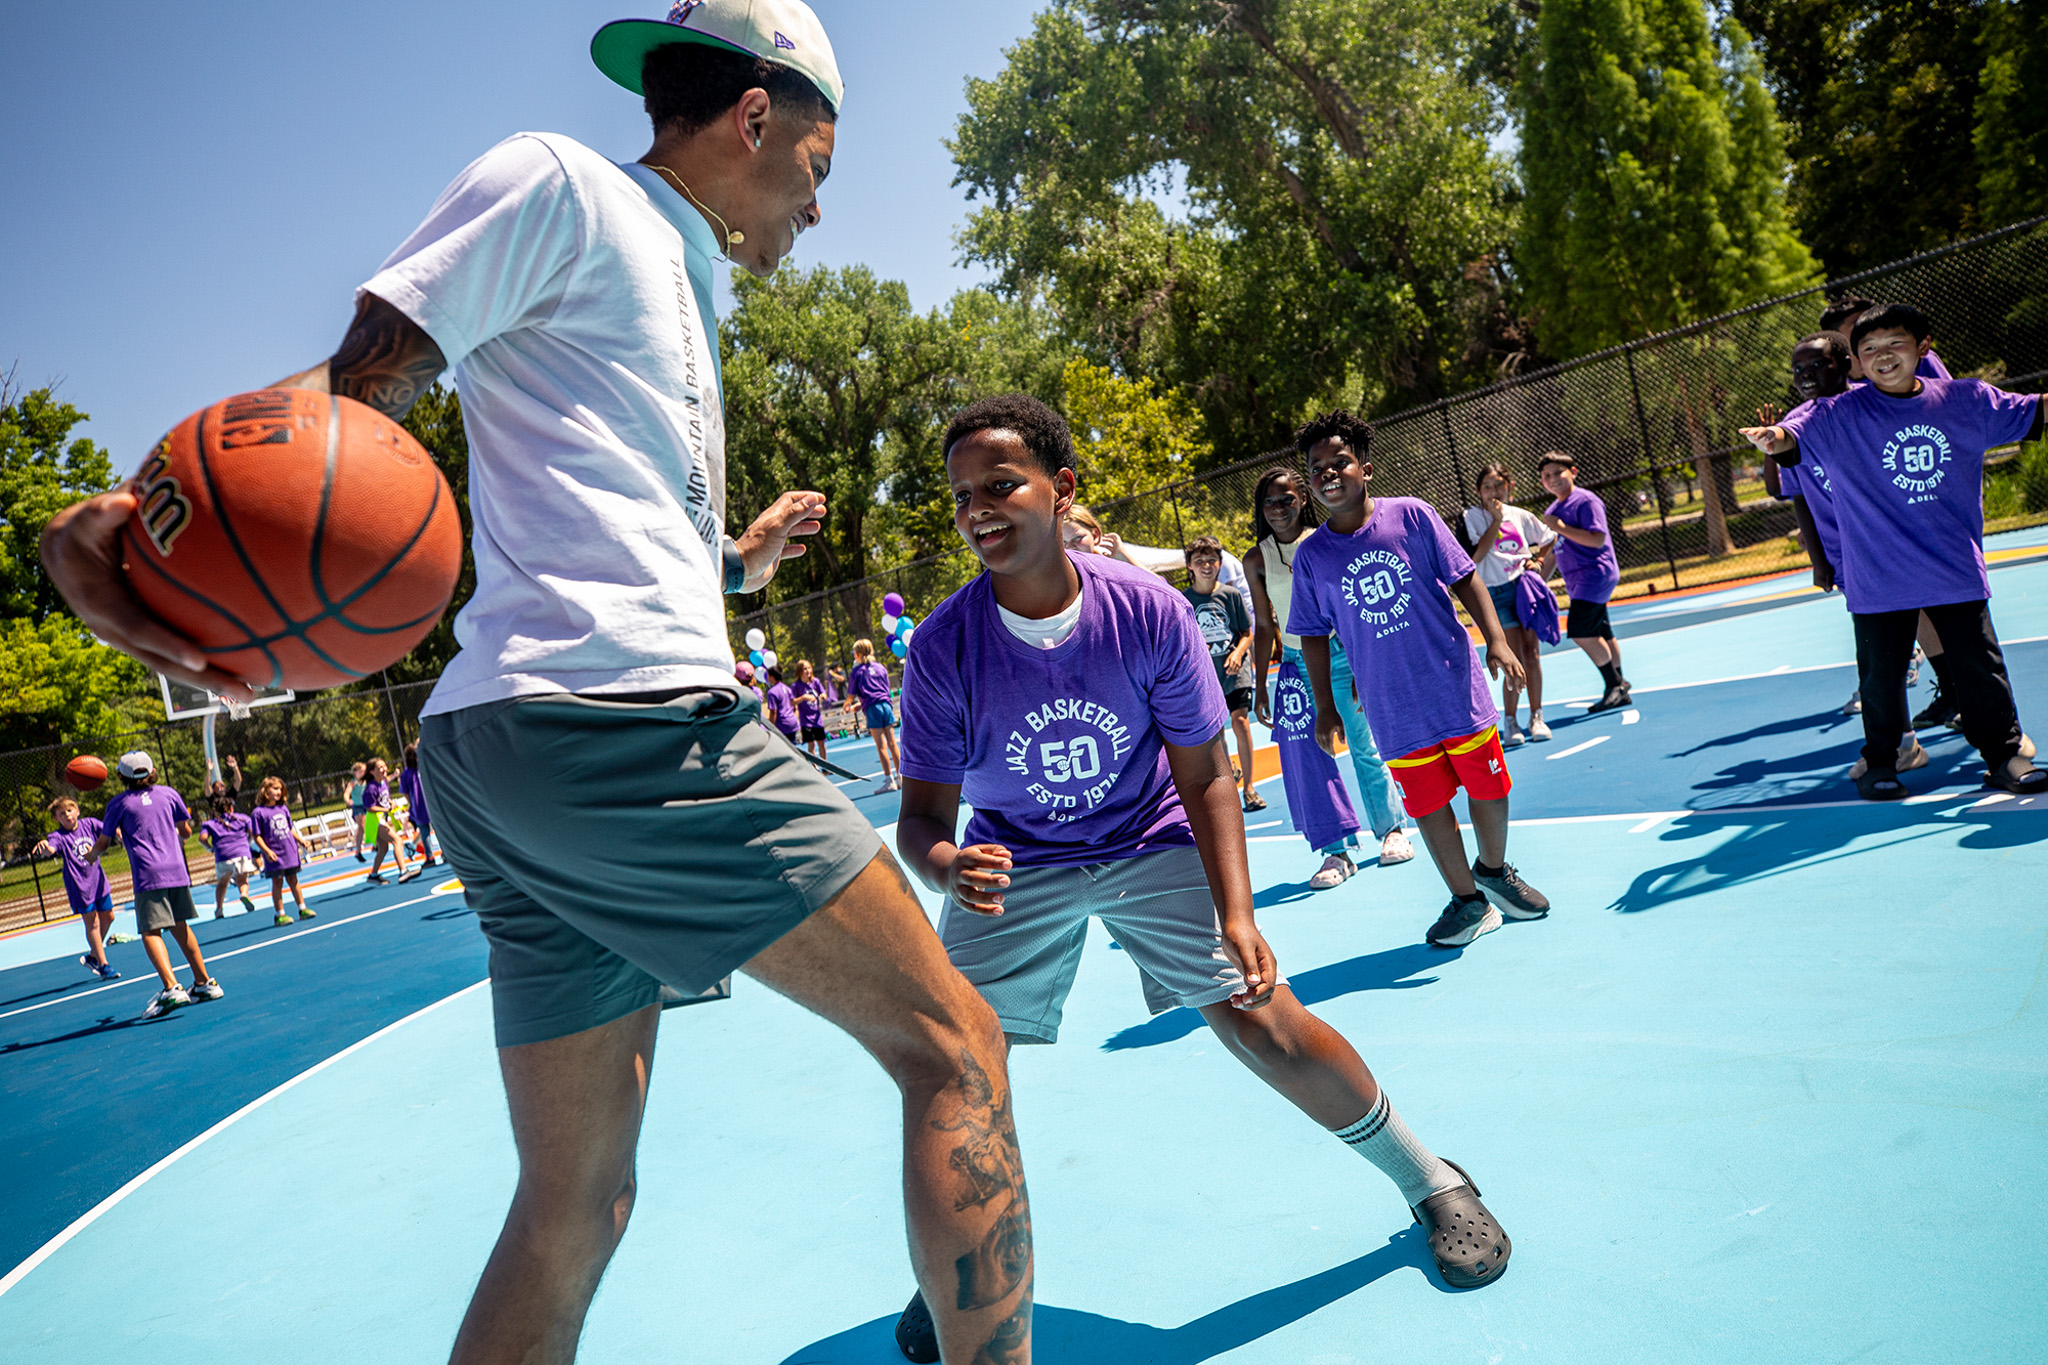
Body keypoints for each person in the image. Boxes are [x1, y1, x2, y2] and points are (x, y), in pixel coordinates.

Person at [41, 8, 1034, 1358]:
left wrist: (733, 568)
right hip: (622, 726)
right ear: (756, 117)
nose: (817, 202)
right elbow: (349, 401)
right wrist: (154, 523)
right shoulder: (564, 182)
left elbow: (614, 543)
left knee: (575, 1197)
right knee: (958, 1047)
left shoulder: (676, 285)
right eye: (819, 163)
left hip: (515, 746)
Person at [886, 394, 1510, 1359]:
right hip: (1021, 861)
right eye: (962, 494)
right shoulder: (941, 647)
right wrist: (947, 864)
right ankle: (960, 1263)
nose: (978, 508)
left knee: (1261, 1015)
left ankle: (1430, 1177)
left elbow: (1209, 771)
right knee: (954, 1064)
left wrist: (1238, 912)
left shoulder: (1149, 611)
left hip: (1148, 836)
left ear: (1063, 491)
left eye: (1001, 483)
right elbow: (922, 817)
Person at [1741, 302, 2046, 799]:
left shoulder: (1966, 399)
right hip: (1878, 575)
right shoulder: (1836, 414)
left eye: (1894, 344)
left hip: (1953, 568)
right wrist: (1771, 439)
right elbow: (1791, 439)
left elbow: (2033, 410)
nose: (1882, 356)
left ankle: (2005, 757)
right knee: (1881, 679)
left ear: (1922, 348)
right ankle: (1883, 761)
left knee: (1980, 670)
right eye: (1869, 349)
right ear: (1857, 362)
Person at [1288, 412, 1553, 949]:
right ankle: (1467, 902)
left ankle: (1494, 870)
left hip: (1453, 685)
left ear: (1364, 467)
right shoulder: (1312, 556)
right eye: (1317, 468)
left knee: (1489, 787)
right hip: (1391, 707)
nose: (1328, 474)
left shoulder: (1412, 516)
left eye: (1339, 462)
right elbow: (1313, 633)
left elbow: (1465, 576)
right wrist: (1326, 706)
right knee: (1430, 806)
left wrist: (1497, 640)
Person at [1758, 334, 1927, 776]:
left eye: (1816, 366)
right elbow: (1786, 493)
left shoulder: (1875, 404)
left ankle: (1984, 723)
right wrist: (1818, 559)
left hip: (1901, 543)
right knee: (1874, 657)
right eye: (1798, 371)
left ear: (1845, 364)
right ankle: (1902, 743)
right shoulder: (1797, 423)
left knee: (1955, 633)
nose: (1805, 378)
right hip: (1850, 556)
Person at [1242, 467, 1415, 889]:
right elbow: (1265, 625)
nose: (1278, 508)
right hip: (1297, 665)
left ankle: (1392, 830)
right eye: (1270, 501)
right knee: (1311, 759)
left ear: (1304, 499)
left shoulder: (1326, 543)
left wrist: (1361, 662)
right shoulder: (1256, 558)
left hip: (1343, 655)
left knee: (1363, 745)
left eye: (1287, 499)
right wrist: (1262, 684)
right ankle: (1335, 851)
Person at [89, 752, 222, 1018]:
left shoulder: (118, 804)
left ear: (120, 776)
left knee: (151, 932)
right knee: (180, 926)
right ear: (152, 771)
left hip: (148, 874)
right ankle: (204, 982)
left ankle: (172, 987)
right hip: (176, 869)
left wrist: (90, 856)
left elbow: (103, 844)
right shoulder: (169, 794)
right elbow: (185, 831)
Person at [1462, 465, 1557, 746]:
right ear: (1479, 491)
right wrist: (1496, 520)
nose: (1494, 492)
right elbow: (1477, 556)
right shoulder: (1472, 517)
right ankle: (1511, 720)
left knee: (1532, 654)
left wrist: (1537, 561)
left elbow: (1548, 538)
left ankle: (1537, 716)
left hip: (1523, 588)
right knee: (1512, 658)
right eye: (1487, 487)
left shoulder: (1520, 515)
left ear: (1509, 486)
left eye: (1499, 485)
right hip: (1496, 593)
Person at [1537, 453, 1630, 714]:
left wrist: (1560, 526)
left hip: (1595, 574)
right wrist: (1537, 579)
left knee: (1580, 631)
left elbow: (1596, 540)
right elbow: (1555, 550)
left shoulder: (1586, 501)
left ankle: (1614, 686)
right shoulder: (1553, 511)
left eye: (1558, 473)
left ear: (1573, 472)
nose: (1553, 479)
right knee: (1603, 631)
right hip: (1578, 580)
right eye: (1547, 476)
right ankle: (1619, 681)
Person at [1180, 535, 1264, 811]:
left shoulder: (1231, 595)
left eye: (1212, 560)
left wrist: (1239, 653)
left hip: (1235, 672)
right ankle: (1229, 778)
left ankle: (1250, 788)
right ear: (1190, 566)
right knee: (1217, 734)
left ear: (1220, 563)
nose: (1207, 565)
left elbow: (1247, 633)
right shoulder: (1183, 601)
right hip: (1206, 677)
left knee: (1240, 721)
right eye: (1200, 561)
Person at [33, 796, 119, 981]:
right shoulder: (59, 836)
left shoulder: (89, 824)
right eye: (62, 814)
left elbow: (108, 830)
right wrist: (45, 847)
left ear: (77, 811)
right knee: (93, 923)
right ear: (56, 818)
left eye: (69, 811)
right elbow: (51, 848)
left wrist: (119, 831)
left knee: (109, 917)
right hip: (79, 886)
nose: (67, 816)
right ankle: (104, 965)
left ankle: (93, 956)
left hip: (98, 881)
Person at [250, 776, 315, 925]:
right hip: (274, 855)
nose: (278, 791)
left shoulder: (283, 809)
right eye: (275, 789)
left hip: (289, 851)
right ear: (266, 792)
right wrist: (266, 851)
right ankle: (280, 914)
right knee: (277, 882)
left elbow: (289, 828)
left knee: (293, 880)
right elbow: (257, 836)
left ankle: (302, 908)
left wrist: (300, 840)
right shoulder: (258, 813)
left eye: (280, 789)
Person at [847, 637, 902, 793]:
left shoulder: (857, 671)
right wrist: (862, 704)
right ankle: (901, 778)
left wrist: (848, 704)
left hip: (873, 709)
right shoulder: (880, 667)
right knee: (892, 744)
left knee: (881, 746)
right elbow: (882, 691)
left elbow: (851, 694)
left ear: (857, 653)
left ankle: (889, 780)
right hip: (886, 706)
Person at [198, 793, 261, 918]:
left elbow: (202, 838)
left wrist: (210, 848)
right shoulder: (242, 818)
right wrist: (247, 841)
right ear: (231, 807)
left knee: (222, 883)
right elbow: (253, 832)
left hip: (222, 856)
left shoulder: (211, 824)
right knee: (242, 880)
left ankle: (219, 909)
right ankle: (244, 894)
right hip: (241, 854)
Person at [361, 757, 421, 885]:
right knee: (397, 840)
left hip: (381, 819)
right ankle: (403, 871)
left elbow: (383, 799)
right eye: (380, 768)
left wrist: (390, 802)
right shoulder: (371, 788)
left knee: (383, 848)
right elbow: (370, 807)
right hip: (375, 820)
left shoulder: (383, 783)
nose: (384, 769)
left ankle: (373, 874)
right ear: (372, 772)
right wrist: (385, 808)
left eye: (384, 766)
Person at [399, 743, 438, 867]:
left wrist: (411, 803)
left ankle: (430, 857)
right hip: (432, 801)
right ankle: (447, 854)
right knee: (438, 828)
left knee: (424, 830)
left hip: (418, 805)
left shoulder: (406, 774)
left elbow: (405, 792)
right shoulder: (425, 768)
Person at [793, 658, 831, 761]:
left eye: (809, 668)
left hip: (817, 720)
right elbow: (792, 701)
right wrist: (804, 697)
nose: (808, 671)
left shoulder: (815, 682)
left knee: (821, 743)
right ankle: (815, 767)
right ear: (800, 671)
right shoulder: (796, 686)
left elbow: (823, 692)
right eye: (805, 669)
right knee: (811, 744)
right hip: (806, 721)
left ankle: (826, 766)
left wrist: (823, 695)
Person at [763, 664, 802, 744]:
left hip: (782, 725)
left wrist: (771, 727)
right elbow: (794, 706)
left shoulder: (772, 692)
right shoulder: (787, 688)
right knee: (793, 746)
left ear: (772, 677)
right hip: (792, 722)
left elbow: (773, 712)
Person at [344, 761, 369, 861]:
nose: (363, 773)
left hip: (367, 806)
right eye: (361, 771)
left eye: (364, 771)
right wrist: (348, 800)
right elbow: (346, 793)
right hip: (357, 807)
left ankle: (376, 844)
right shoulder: (353, 783)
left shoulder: (366, 781)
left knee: (371, 824)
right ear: (355, 772)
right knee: (361, 827)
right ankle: (358, 851)